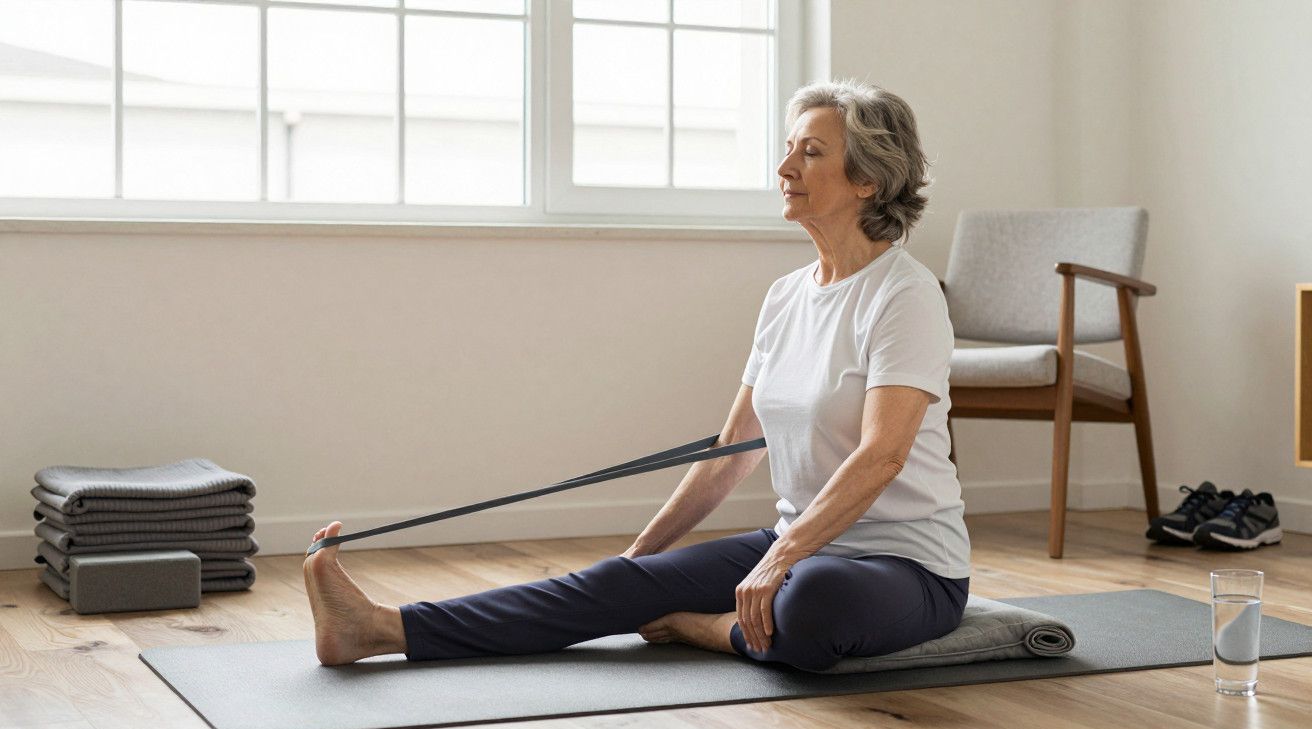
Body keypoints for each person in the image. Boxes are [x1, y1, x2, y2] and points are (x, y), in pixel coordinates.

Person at [303, 79, 971, 672]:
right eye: (788, 148)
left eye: (811, 153)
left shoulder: (902, 295)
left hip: (904, 564)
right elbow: (727, 457)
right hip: (796, 546)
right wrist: (638, 567)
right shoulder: (786, 296)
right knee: (618, 582)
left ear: (868, 180)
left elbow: (882, 456)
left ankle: (710, 630)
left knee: (815, 606)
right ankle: (378, 629)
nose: (784, 167)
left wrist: (774, 562)